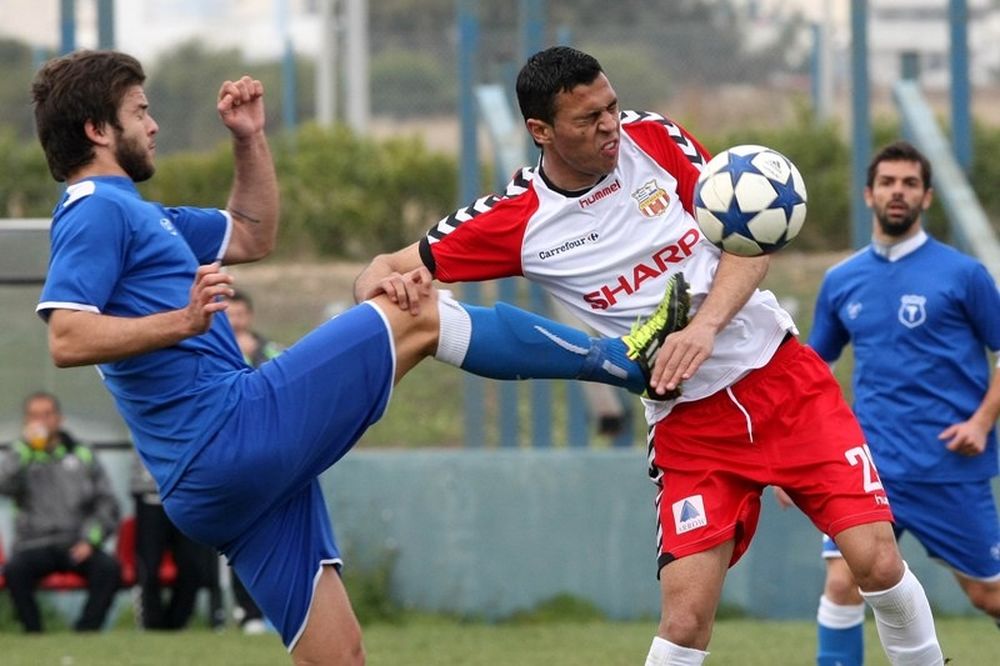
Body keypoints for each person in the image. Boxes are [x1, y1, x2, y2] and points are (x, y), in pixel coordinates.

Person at [31, 49, 682, 663]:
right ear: (98, 129)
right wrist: (186, 321)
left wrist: (248, 138)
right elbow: (67, 337)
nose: (154, 122)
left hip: (213, 481)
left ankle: (621, 359)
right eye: (140, 111)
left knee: (341, 657)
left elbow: (254, 233)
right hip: (229, 430)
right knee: (416, 313)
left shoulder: (149, 217)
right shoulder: (93, 209)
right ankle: (623, 360)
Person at [354, 46, 945, 665]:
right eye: (589, 119)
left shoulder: (653, 139)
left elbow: (750, 241)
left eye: (611, 106)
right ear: (541, 131)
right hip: (688, 423)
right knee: (685, 621)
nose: (611, 125)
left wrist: (703, 328)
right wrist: (394, 283)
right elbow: (375, 274)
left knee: (876, 559)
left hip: (780, 381)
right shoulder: (516, 221)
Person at [789, 140, 1000, 665]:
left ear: (927, 196)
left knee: (988, 594)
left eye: (909, 183)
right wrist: (796, 453)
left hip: (947, 464)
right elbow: (812, 373)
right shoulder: (842, 280)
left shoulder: (964, 275)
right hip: (868, 467)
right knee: (842, 581)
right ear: (869, 194)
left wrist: (981, 421)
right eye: (888, 182)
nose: (897, 192)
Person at [0, 391, 121, 632]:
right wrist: (24, 453)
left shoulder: (82, 454)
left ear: (59, 418)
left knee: (108, 569)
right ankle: (34, 633)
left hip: (76, 543)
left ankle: (86, 632)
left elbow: (107, 503)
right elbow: (4, 486)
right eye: (34, 416)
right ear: (26, 421)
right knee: (15, 571)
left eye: (47, 414)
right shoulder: (19, 455)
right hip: (33, 544)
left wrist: (90, 540)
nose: (41, 421)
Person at [224, 288, 277, 633]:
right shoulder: (211, 350)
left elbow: (282, 388)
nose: (236, 321)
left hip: (271, 457)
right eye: (229, 315)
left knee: (277, 536)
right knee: (241, 537)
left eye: (240, 314)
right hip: (232, 460)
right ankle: (247, 612)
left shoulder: (270, 351)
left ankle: (277, 609)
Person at [128, 454, 223, 630]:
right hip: (149, 497)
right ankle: (152, 625)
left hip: (187, 496)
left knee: (193, 566)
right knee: (148, 567)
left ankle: (175, 624)